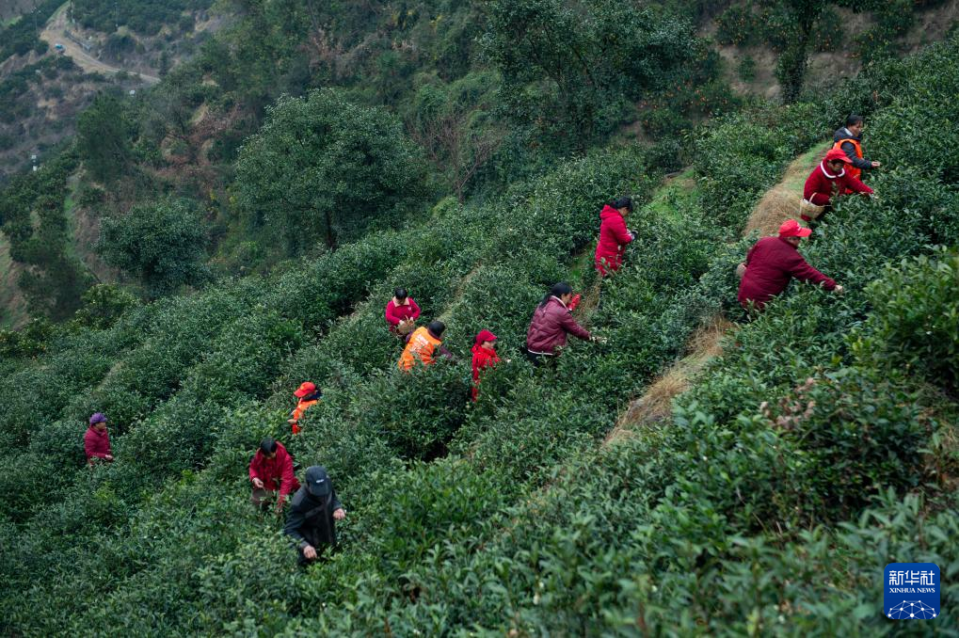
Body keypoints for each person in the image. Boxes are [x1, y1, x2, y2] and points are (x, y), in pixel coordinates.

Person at [737, 219, 843, 311]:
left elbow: (749, 260)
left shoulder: (764, 241)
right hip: (760, 302)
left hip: (743, 294)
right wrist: (833, 286)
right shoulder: (791, 257)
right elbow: (810, 274)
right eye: (799, 238)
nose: (800, 241)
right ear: (790, 239)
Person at [525, 283, 603, 366]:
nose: (569, 300)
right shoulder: (560, 311)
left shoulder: (541, 305)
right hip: (546, 354)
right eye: (569, 297)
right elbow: (576, 330)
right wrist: (594, 338)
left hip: (531, 350)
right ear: (563, 295)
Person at [284, 466, 346, 565]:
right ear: (308, 484)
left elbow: (333, 498)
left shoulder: (327, 484)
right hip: (312, 551)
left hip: (329, 540)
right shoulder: (299, 502)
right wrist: (304, 546)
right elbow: (290, 530)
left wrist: (337, 508)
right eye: (317, 491)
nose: (321, 494)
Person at [801, 148, 874, 222]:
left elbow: (855, 184)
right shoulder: (818, 174)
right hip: (817, 212)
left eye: (843, 163)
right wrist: (829, 199)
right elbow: (808, 194)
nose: (842, 166)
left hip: (833, 209)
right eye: (840, 164)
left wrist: (871, 193)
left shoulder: (841, 172)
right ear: (830, 162)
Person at [248, 437, 301, 512]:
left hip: (280, 485)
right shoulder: (260, 454)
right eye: (266, 456)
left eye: (270, 456)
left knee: (288, 502)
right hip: (268, 485)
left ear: (276, 450)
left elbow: (286, 481)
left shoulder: (286, 459)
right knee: (255, 502)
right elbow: (253, 467)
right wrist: (254, 478)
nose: (268, 458)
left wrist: (281, 502)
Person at [833, 114, 881, 190]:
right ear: (849, 126)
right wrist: (869, 164)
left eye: (861, 127)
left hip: (849, 176)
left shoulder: (848, 137)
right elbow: (852, 159)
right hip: (846, 179)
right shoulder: (846, 142)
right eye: (857, 127)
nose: (860, 130)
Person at [595, 196, 635, 276]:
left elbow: (615, 232)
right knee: (612, 278)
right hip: (609, 257)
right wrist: (633, 236)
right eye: (628, 212)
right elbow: (624, 239)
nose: (627, 215)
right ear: (624, 209)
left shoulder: (610, 215)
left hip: (603, 254)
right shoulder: (615, 219)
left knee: (602, 278)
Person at [471, 330, 502, 401]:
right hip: (481, 388)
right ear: (482, 342)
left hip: (486, 385)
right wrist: (505, 361)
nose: (493, 343)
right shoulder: (480, 355)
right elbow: (495, 364)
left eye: (493, 341)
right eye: (490, 342)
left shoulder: (488, 351)